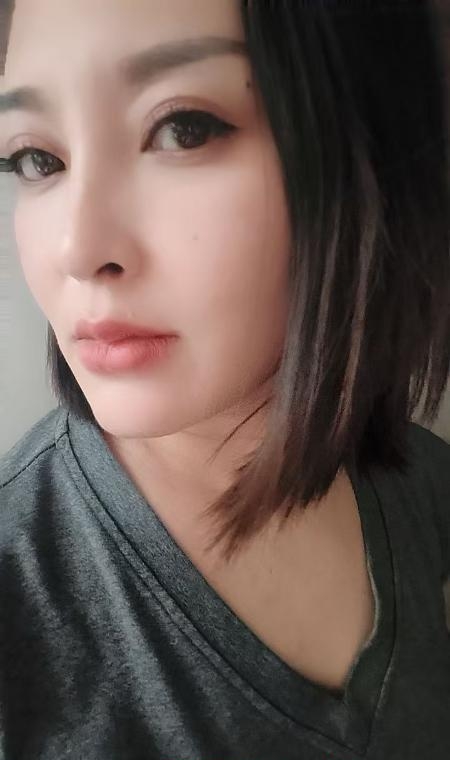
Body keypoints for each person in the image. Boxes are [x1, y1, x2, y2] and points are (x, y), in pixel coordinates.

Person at [0, 0, 449, 757]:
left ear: (367, 142)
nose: (78, 248)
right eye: (36, 159)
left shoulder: (422, 486)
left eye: (184, 128)